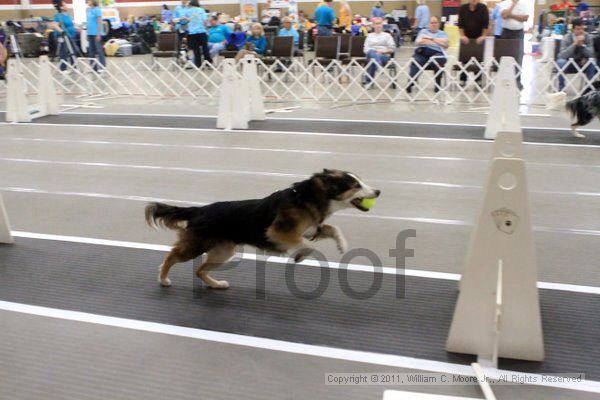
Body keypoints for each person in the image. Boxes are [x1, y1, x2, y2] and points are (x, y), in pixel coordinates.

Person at [406, 16, 448, 93]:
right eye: (432, 23)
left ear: (438, 24)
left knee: (440, 60)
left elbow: (446, 45)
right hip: (422, 52)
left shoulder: (443, 33)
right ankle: (411, 81)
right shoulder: (423, 31)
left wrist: (431, 39)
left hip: (436, 53)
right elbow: (418, 41)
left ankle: (437, 84)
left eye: (435, 23)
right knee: (415, 60)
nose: (433, 24)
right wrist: (437, 41)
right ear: (429, 24)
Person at [556, 18, 596, 91]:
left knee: (592, 62)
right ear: (573, 29)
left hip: (582, 63)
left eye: (582, 29)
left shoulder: (588, 37)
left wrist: (582, 46)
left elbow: (591, 54)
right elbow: (561, 55)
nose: (581, 31)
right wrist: (574, 44)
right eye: (578, 29)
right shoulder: (567, 37)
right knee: (561, 62)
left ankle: (589, 88)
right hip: (568, 63)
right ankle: (561, 89)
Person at [457, 0, 489, 85]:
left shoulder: (483, 8)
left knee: (478, 60)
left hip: (479, 38)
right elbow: (460, 24)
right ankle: (463, 79)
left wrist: (483, 36)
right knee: (464, 59)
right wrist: (462, 36)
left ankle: (478, 79)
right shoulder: (463, 8)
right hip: (466, 37)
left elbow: (486, 24)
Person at [499, 0, 529, 88]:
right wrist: (513, 4)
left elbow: (525, 18)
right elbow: (504, 16)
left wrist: (510, 15)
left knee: (518, 56)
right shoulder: (504, 3)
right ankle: (505, 80)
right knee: (505, 56)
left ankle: (517, 80)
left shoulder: (524, 5)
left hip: (519, 33)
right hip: (506, 32)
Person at [362, 18, 395, 87]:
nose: (378, 25)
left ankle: (369, 83)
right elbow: (365, 49)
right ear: (373, 25)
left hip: (384, 55)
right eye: (376, 24)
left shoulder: (387, 35)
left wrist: (382, 51)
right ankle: (379, 66)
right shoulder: (369, 36)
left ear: (382, 25)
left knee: (372, 60)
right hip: (370, 54)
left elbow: (392, 48)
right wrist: (374, 52)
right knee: (371, 53)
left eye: (380, 23)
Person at [53, 3, 78, 72]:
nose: (67, 6)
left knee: (73, 51)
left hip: (71, 35)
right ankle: (63, 68)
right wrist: (61, 31)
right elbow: (55, 25)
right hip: (63, 36)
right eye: (65, 5)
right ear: (61, 7)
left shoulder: (68, 15)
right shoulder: (58, 16)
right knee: (63, 51)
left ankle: (74, 66)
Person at [187, 0, 210, 66]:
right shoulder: (201, 10)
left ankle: (198, 64)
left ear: (191, 4)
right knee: (205, 48)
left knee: (196, 50)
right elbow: (205, 21)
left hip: (192, 33)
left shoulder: (188, 11)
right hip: (201, 31)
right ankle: (208, 63)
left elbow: (186, 20)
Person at [86, 0, 105, 71]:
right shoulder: (88, 10)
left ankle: (102, 67)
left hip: (96, 33)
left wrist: (98, 34)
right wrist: (87, 33)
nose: (87, 1)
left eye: (89, 0)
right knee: (91, 51)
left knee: (99, 50)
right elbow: (89, 22)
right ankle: (93, 67)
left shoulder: (97, 10)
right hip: (90, 33)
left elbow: (99, 22)